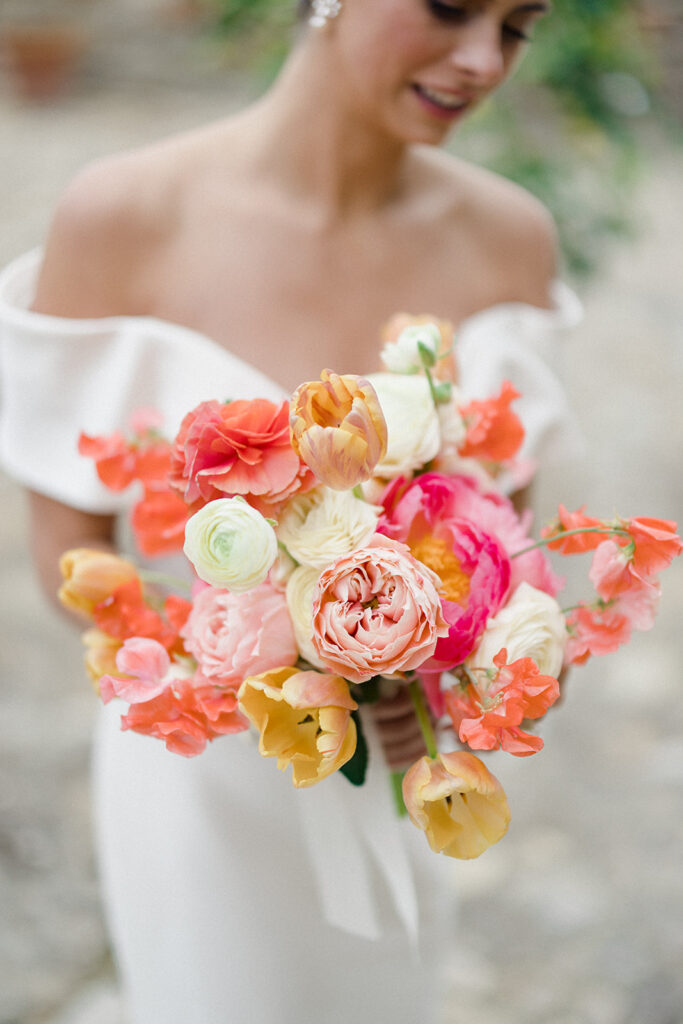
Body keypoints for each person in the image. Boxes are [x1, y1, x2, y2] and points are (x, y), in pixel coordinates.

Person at [0, 1, 581, 1021]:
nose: (484, 58)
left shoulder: (508, 238)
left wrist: (440, 672)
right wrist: (272, 661)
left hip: (398, 763)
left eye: (517, 24)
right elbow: (67, 554)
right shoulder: (120, 215)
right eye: (449, 6)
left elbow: (492, 546)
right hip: (201, 772)